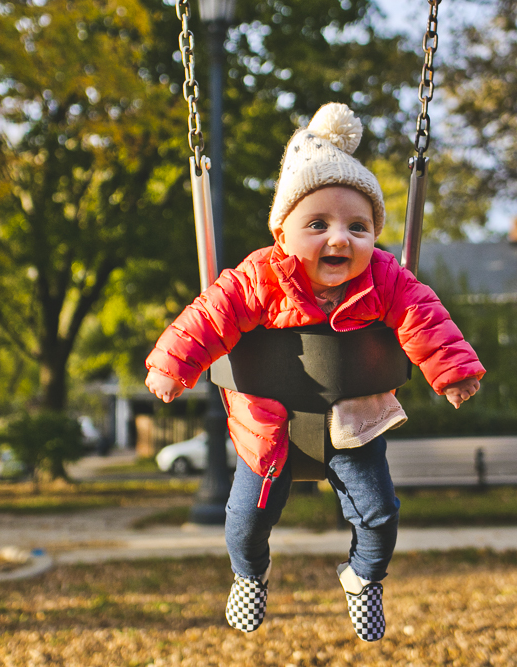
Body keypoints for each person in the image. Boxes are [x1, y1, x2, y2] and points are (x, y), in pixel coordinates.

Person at [145, 102, 484, 641]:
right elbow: (210, 314)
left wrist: (453, 369)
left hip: (354, 426)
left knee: (379, 515)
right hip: (266, 430)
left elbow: (424, 316)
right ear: (283, 232)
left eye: (358, 226)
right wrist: (172, 364)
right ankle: (249, 575)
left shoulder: (386, 277)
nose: (340, 239)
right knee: (245, 521)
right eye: (318, 224)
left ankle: (363, 578)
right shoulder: (259, 276)